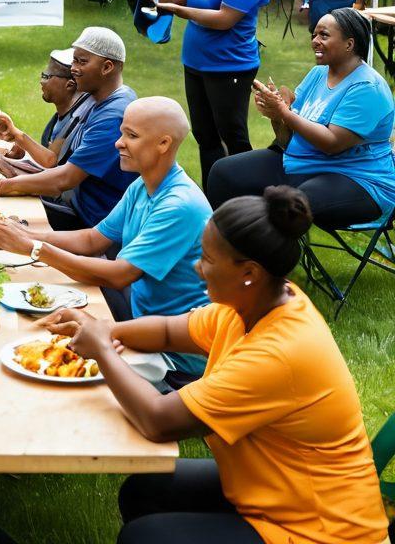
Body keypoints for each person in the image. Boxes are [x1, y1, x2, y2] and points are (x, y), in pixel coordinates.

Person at [45, 187, 389, 544]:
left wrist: (102, 349)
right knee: (144, 489)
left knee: (146, 537)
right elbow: (165, 332)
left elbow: (158, 422)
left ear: (249, 272)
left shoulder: (278, 353)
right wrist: (103, 328)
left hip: (317, 530)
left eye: (208, 259)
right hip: (270, 487)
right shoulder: (253, 304)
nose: (198, 267)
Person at [0, 97, 210, 387]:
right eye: (122, 133)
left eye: (131, 135)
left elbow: (120, 275)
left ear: (164, 144)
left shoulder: (178, 205)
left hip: (173, 358)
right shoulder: (143, 184)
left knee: (52, 366)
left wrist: (32, 248)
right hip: (140, 321)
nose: (118, 143)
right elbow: (94, 238)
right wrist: (25, 235)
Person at [207, 7, 395, 229]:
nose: (315, 41)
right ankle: (227, 248)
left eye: (323, 35)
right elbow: (287, 140)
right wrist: (276, 117)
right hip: (303, 164)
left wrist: (284, 112)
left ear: (349, 44)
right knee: (224, 172)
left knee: (291, 204)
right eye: (314, 35)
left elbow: (332, 144)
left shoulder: (367, 88)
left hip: (357, 178)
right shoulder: (318, 73)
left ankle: (267, 257)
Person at [0, 27, 137, 230]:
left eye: (82, 62)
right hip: (75, 203)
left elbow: (64, 179)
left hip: (92, 220)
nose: (74, 69)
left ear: (106, 67)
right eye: (74, 61)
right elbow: (55, 163)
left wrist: (1, 186)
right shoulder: (100, 99)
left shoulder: (113, 116)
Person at [158, 0, 269, 187]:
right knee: (205, 136)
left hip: (229, 67)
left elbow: (224, 19)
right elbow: (170, 1)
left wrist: (181, 12)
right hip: (195, 63)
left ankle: (248, 201)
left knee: (233, 137)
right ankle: (213, 198)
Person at [0, 49, 78, 177]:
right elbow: (47, 155)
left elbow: (50, 162)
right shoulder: (60, 117)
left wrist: (17, 135)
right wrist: (16, 143)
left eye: (46, 76)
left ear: (69, 85)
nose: (41, 81)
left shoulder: (76, 120)